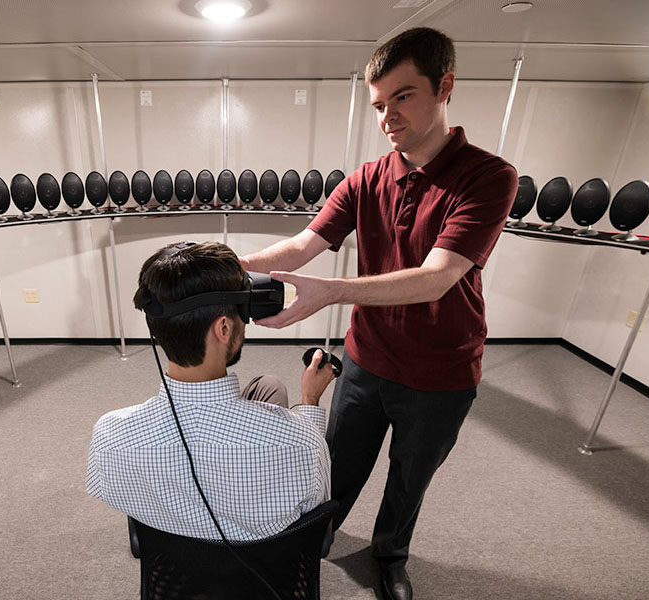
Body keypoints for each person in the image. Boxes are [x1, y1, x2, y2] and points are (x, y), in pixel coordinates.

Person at [239, 27, 518, 600]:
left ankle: (389, 557)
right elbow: (300, 247)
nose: (388, 116)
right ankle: (312, 542)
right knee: (335, 468)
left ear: (445, 86)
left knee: (408, 480)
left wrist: (334, 292)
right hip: (366, 361)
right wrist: (219, 263)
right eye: (379, 104)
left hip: (442, 373)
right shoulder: (366, 178)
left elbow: (437, 277)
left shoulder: (489, 177)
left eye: (403, 96)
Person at [86, 241, 336, 542]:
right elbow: (315, 525)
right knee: (272, 391)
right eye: (241, 314)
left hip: (175, 572)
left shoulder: (108, 434)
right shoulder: (302, 442)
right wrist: (310, 401)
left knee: (267, 386)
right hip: (261, 574)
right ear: (224, 329)